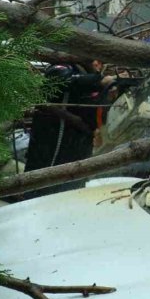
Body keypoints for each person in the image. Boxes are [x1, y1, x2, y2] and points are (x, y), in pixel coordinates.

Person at [23, 60, 114, 197]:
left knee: (72, 190)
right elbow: (61, 80)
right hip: (52, 148)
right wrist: (99, 81)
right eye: (95, 60)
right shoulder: (63, 68)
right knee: (42, 190)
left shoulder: (92, 79)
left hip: (79, 148)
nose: (98, 64)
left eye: (101, 62)